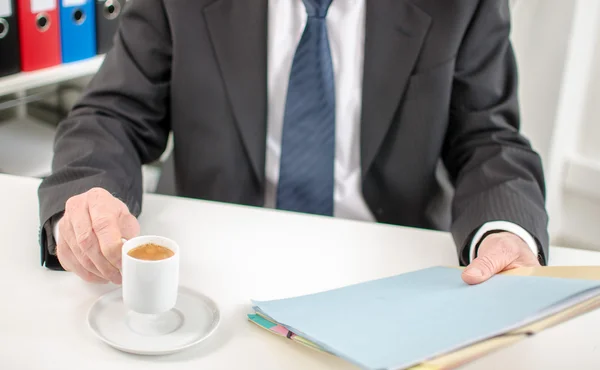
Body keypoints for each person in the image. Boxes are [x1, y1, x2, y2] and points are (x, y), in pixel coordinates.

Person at [37, 0, 548, 287]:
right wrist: (89, 196)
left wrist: (504, 230)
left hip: (390, 266)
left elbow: (488, 136)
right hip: (214, 259)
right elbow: (114, 112)